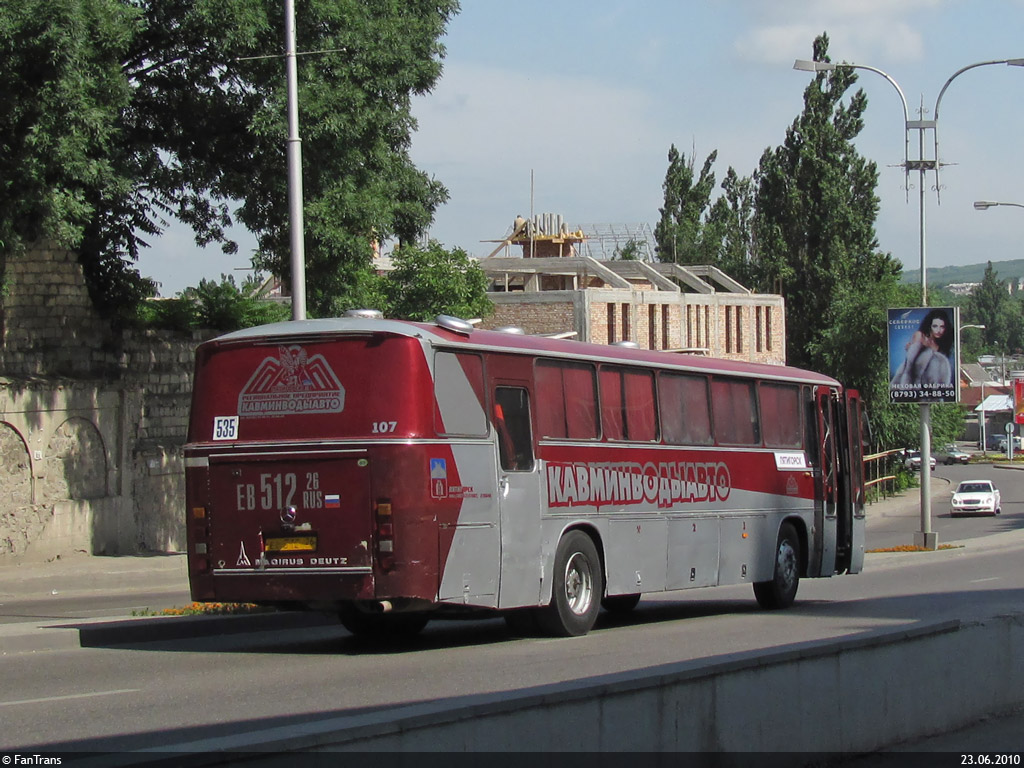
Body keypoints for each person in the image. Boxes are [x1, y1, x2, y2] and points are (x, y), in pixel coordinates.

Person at [891, 309, 954, 388]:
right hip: (913, 385)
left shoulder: (943, 345)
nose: (938, 330)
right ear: (929, 326)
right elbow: (909, 365)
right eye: (935, 326)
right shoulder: (920, 337)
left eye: (942, 327)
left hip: (932, 387)